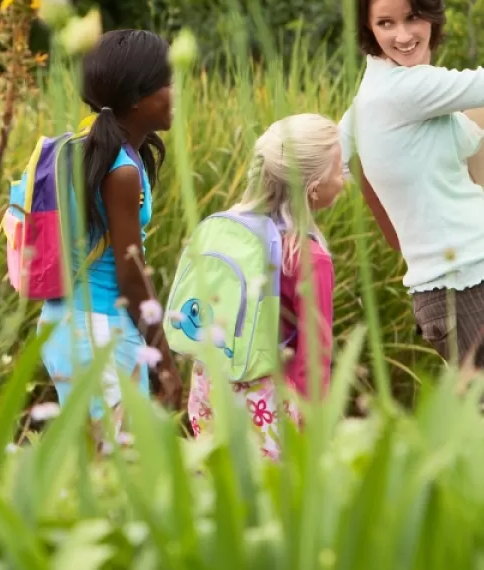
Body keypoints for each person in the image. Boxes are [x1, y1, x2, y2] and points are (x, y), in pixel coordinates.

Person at [340, 0, 484, 368]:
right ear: (368, 27)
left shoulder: (371, 95)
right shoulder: (405, 89)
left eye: (412, 18)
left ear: (432, 17)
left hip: (453, 281)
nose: (402, 35)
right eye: (386, 23)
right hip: (464, 285)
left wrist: (408, 242)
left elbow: (349, 165)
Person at [38, 29, 183, 440]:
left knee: (94, 460)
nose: (177, 93)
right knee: (116, 471)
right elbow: (130, 276)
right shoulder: (121, 170)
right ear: (137, 98)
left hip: (64, 323)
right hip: (99, 330)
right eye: (168, 84)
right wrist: (164, 362)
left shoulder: (79, 146)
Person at [187, 114, 343, 459]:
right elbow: (312, 359)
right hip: (268, 406)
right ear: (314, 188)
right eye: (339, 169)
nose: (343, 178)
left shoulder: (228, 231)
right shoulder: (308, 257)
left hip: (210, 388)